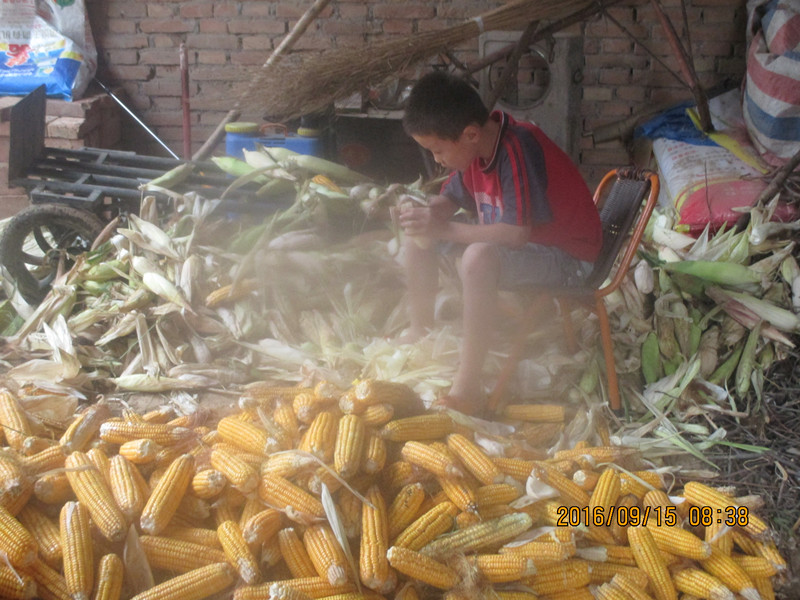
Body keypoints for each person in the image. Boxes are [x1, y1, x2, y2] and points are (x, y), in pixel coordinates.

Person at [397, 70, 603, 417]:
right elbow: (447, 203)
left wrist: (444, 230)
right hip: (530, 251)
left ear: (470, 134)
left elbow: (515, 233)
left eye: (437, 150)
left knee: (478, 258)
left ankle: (468, 387)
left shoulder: (517, 147)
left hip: (571, 259)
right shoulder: (473, 152)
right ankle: (421, 330)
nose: (437, 160)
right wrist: (422, 213)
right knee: (418, 236)